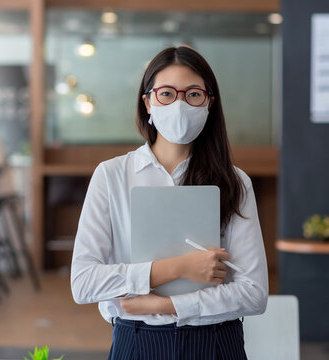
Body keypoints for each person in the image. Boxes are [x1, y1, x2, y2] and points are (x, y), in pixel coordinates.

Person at [70, 46, 268, 359]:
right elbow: (83, 283)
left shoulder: (234, 181)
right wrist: (180, 267)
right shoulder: (112, 176)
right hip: (135, 340)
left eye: (192, 94)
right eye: (166, 94)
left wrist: (166, 304)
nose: (179, 105)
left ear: (209, 103)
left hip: (215, 342)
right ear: (147, 101)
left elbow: (254, 294)